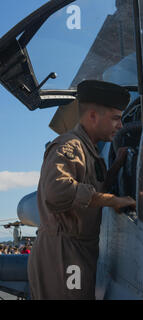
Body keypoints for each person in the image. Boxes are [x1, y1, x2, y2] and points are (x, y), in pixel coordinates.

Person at [28, 80, 136, 300]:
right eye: (115, 118)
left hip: (76, 250)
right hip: (65, 253)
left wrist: (116, 167)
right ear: (93, 116)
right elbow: (57, 192)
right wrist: (112, 201)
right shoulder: (69, 146)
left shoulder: (89, 151)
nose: (121, 125)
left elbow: (90, 188)